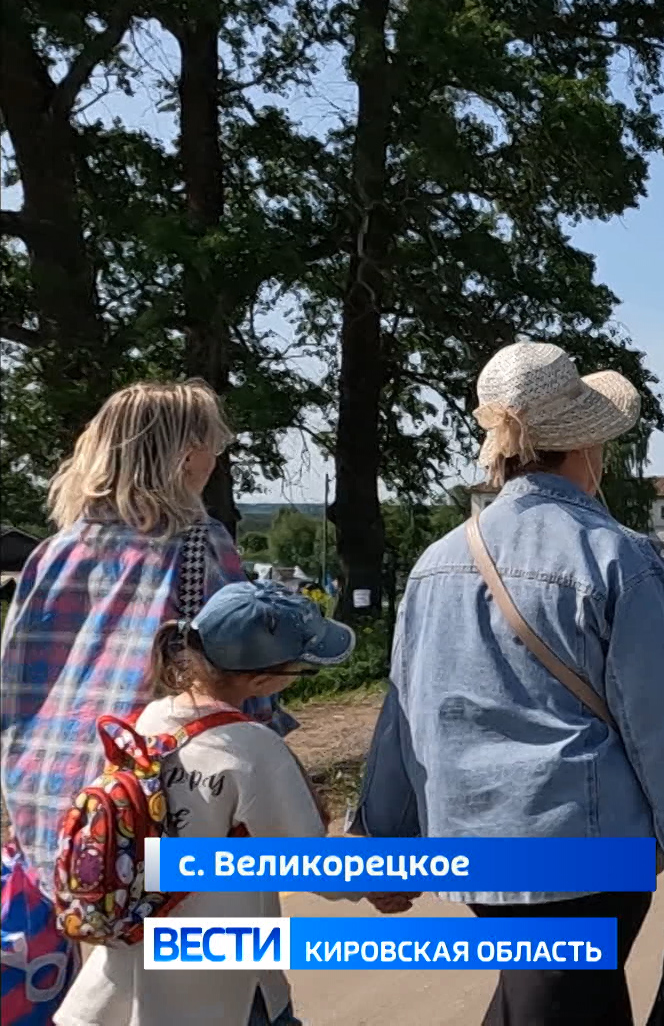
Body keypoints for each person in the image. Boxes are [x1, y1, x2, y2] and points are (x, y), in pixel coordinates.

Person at [378, 342, 664, 1025]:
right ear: (588, 445)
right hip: (586, 849)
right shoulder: (620, 559)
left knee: (537, 997)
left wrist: (387, 837)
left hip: (472, 849)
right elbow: (661, 730)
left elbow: (407, 710)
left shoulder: (435, 562)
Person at [0, 381, 302, 1026]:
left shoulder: (52, 552)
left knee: (109, 977)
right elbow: (238, 667)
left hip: (68, 811)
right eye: (211, 441)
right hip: (168, 801)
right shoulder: (198, 543)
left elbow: (15, 686)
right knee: (217, 988)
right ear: (184, 452)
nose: (216, 456)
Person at [58, 581, 411, 1026]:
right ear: (263, 679)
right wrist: (378, 884)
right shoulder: (249, 747)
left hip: (126, 974)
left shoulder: (147, 722)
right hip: (221, 984)